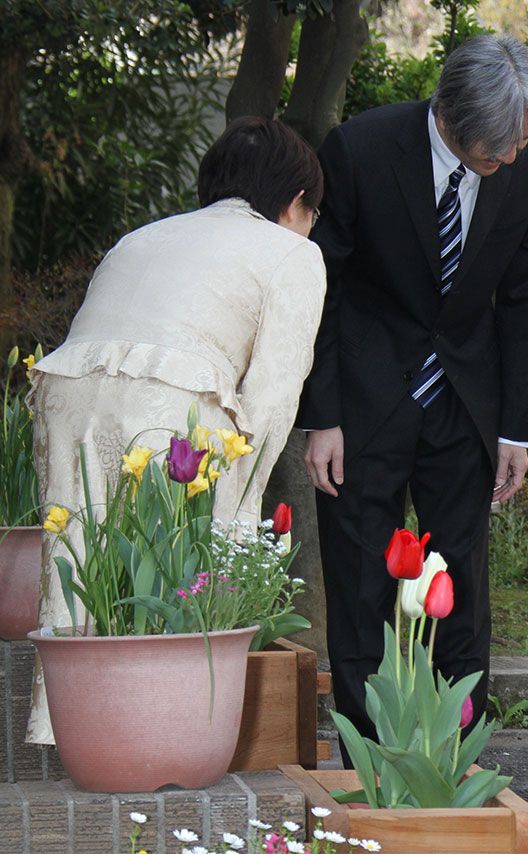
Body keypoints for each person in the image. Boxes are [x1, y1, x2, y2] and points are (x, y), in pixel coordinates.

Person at [297, 34, 528, 755]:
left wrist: (515, 430)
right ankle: (368, 765)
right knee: (361, 590)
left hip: (466, 404)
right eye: (496, 150)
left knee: (461, 596)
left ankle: (450, 763)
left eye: (521, 144)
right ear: (450, 115)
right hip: (363, 403)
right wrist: (322, 416)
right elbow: (322, 288)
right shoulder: (360, 148)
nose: (511, 159)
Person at [26, 116, 327, 744]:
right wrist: (242, 508)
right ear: (295, 201)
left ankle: (72, 728)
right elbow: (274, 395)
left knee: (83, 558)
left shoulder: (141, 236)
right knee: (180, 571)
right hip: (172, 403)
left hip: (66, 392)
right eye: (313, 212)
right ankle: (167, 734)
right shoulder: (293, 252)